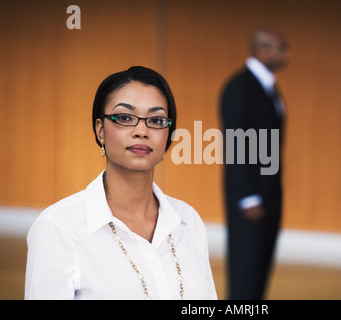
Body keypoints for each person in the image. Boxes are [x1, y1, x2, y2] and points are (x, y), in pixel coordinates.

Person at [25, 66, 217, 300]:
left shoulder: (189, 221)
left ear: (168, 134)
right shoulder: (58, 228)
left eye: (156, 120)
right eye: (125, 118)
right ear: (100, 130)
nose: (142, 131)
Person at [219, 28, 289, 299]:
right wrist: (247, 195)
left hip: (269, 194)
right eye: (281, 47)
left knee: (260, 268)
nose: (287, 54)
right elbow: (234, 143)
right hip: (250, 199)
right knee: (246, 270)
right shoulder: (240, 87)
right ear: (262, 50)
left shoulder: (269, 88)